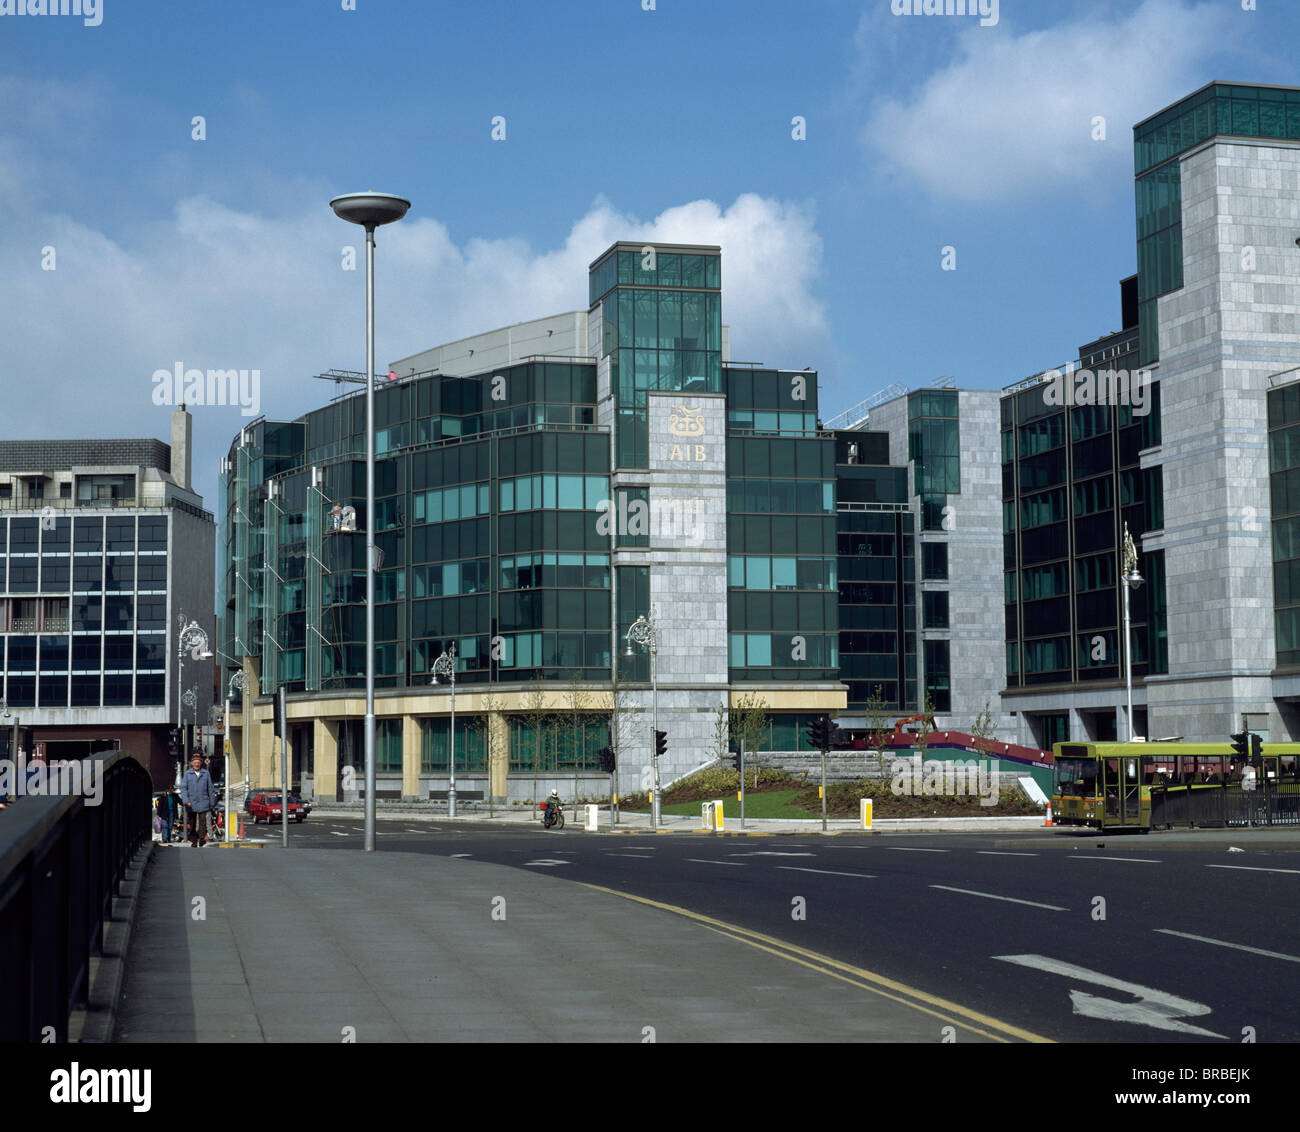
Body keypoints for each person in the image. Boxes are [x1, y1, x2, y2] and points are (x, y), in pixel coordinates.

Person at [180, 753, 217, 847]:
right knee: (191, 823)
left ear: (201, 763)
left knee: (202, 823)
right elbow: (184, 788)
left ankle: (201, 839)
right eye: (195, 762)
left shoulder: (206, 773)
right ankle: (193, 840)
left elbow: (210, 789)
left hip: (203, 802)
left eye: (198, 762)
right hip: (191, 803)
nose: (197, 764)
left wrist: (212, 802)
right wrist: (186, 800)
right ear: (192, 763)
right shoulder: (188, 774)